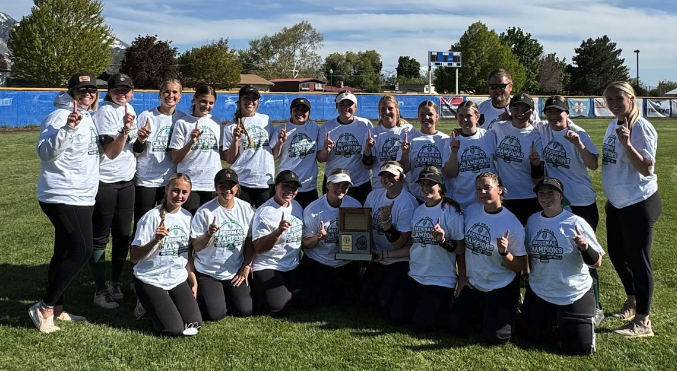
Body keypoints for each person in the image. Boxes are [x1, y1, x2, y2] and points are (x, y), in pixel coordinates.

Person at [30, 72, 100, 333]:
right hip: (62, 194)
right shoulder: (59, 117)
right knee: (82, 250)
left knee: (63, 251)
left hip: (83, 194)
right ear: (71, 92)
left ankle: (57, 309)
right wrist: (68, 128)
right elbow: (45, 153)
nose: (88, 94)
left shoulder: (89, 117)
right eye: (81, 90)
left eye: (91, 89)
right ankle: (45, 307)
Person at [536, 95, 604, 326]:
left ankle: (594, 305)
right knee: (559, 251)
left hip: (581, 200)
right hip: (556, 200)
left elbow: (593, 164)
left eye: (559, 112)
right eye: (550, 112)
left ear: (568, 113)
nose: (554, 117)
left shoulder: (578, 132)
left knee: (586, 254)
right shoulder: (544, 129)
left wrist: (578, 144)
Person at [602, 81, 661, 338]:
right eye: (609, 100)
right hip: (618, 203)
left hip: (638, 202)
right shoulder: (615, 122)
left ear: (631, 98)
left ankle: (643, 322)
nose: (614, 104)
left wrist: (627, 144)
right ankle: (632, 301)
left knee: (639, 260)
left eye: (618, 99)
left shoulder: (640, 127)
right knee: (616, 253)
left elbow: (647, 168)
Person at [521, 177, 604, 355]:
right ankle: (553, 320)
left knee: (580, 348)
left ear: (560, 196)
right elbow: (527, 251)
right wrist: (527, 274)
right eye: (541, 194)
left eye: (551, 193)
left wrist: (584, 247)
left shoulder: (575, 222)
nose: (545, 197)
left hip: (573, 291)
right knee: (530, 337)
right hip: (540, 289)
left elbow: (597, 263)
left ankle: (579, 318)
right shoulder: (533, 221)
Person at [449, 172, 526, 345]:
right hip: (474, 282)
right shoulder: (471, 211)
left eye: (487, 188)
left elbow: (518, 267)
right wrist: (462, 277)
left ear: (499, 190)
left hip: (500, 284)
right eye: (478, 189)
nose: (482, 192)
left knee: (497, 338)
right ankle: (483, 308)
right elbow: (461, 248)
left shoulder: (513, 224)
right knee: (456, 328)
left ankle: (511, 307)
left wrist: (505, 253)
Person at [390, 167, 465, 332]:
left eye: (430, 184)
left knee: (422, 325)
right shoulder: (418, 210)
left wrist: (443, 240)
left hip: (440, 279)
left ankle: (447, 305)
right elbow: (416, 245)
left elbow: (460, 249)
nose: (425, 188)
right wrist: (384, 254)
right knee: (396, 317)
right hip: (416, 275)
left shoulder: (451, 211)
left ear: (440, 185)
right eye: (422, 184)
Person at [131, 173, 202, 337]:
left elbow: (187, 252)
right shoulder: (150, 218)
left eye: (184, 192)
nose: (180, 196)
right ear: (166, 189)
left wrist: (192, 278)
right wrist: (155, 240)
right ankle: (145, 304)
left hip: (176, 277)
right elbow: (134, 257)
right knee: (173, 330)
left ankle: (165, 302)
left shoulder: (187, 217)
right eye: (175, 191)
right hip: (150, 278)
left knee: (194, 324)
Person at [89, 73, 137, 309]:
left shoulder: (130, 109)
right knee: (100, 237)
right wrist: (125, 131)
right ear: (109, 91)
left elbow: (134, 148)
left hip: (127, 180)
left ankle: (115, 282)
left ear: (132, 92)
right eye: (117, 89)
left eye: (126, 89)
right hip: (106, 181)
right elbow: (111, 152)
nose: (122, 93)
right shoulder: (105, 112)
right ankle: (99, 290)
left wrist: (142, 138)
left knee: (123, 235)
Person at [191, 169, 255, 320]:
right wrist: (209, 234)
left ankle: (223, 295)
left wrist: (246, 265)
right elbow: (196, 246)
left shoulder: (246, 209)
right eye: (222, 185)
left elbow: (251, 240)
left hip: (234, 270)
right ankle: (206, 293)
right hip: (208, 271)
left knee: (245, 310)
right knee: (215, 314)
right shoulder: (204, 211)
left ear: (237, 187)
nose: (227, 190)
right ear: (215, 188)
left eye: (231, 185)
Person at [362, 161, 418, 313]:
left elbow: (399, 243)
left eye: (391, 175)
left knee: (383, 304)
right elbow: (365, 225)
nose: (387, 179)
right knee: (364, 299)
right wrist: (371, 250)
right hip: (378, 256)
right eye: (383, 176)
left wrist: (385, 222)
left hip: (398, 259)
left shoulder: (408, 203)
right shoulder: (374, 195)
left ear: (401, 177)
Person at [133, 79, 186, 237]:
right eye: (167, 92)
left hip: (170, 180)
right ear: (160, 94)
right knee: (142, 224)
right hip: (146, 179)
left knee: (167, 223)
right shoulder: (147, 116)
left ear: (180, 95)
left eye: (175, 92)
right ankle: (137, 259)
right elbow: (135, 149)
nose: (170, 95)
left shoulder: (182, 119)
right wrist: (141, 139)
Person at [301, 169, 362, 305]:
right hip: (320, 260)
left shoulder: (355, 206)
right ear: (328, 184)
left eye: (345, 185)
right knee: (308, 300)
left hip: (345, 261)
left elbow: (359, 241)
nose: (341, 188)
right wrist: (317, 238)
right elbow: (304, 244)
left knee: (351, 301)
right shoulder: (313, 210)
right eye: (337, 184)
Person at [251, 170, 307, 316]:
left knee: (307, 301)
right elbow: (259, 247)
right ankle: (257, 289)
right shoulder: (265, 212)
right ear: (276, 186)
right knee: (279, 307)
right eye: (285, 186)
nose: (290, 190)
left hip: (291, 265)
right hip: (268, 265)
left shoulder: (296, 206)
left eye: (294, 188)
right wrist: (277, 232)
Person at [168, 84, 222, 215]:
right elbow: (175, 158)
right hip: (191, 184)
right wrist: (191, 142)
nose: (206, 106)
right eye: (203, 101)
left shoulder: (216, 122)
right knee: (189, 224)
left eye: (211, 103)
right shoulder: (183, 123)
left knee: (209, 226)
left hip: (212, 183)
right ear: (195, 99)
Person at [490, 93, 543, 226]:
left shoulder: (536, 135)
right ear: (510, 110)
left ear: (532, 111)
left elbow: (539, 178)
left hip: (529, 196)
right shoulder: (499, 127)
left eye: (525, 109)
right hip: (504, 196)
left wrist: (536, 165)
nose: (521, 113)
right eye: (516, 109)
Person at [222, 85, 275, 207]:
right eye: (246, 98)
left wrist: (281, 142)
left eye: (254, 99)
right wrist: (235, 139)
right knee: (242, 220)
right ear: (240, 101)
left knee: (265, 219)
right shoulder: (231, 126)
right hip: (242, 181)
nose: (250, 102)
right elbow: (230, 159)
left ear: (258, 102)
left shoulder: (266, 120)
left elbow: (272, 152)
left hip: (265, 180)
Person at [317, 91, 373, 205]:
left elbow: (369, 156)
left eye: (349, 104)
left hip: (359, 182)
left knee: (360, 218)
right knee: (333, 216)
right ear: (336, 106)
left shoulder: (365, 125)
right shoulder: (327, 127)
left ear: (355, 107)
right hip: (335, 182)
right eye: (342, 104)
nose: (345, 108)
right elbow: (320, 158)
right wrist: (326, 151)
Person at [443, 100, 497, 210]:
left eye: (469, 116)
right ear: (456, 117)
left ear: (477, 117)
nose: (465, 120)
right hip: (462, 200)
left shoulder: (488, 136)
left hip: (487, 199)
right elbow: (449, 173)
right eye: (461, 116)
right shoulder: (452, 140)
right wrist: (454, 153)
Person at [271, 97, 320, 208]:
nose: (300, 113)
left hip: (308, 184)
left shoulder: (315, 128)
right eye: (296, 110)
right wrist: (280, 142)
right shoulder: (282, 129)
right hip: (286, 183)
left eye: (304, 110)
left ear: (309, 112)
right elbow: (273, 156)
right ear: (291, 111)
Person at [398, 100, 449, 203]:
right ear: (418, 117)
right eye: (422, 115)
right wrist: (405, 154)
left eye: (430, 114)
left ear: (437, 116)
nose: (426, 118)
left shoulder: (445, 140)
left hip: (439, 195)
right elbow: (404, 170)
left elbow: (448, 171)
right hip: (416, 195)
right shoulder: (410, 140)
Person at [363, 95, 414, 193]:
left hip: (403, 185)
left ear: (397, 110)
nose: (386, 112)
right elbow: (367, 166)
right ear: (379, 111)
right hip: (380, 186)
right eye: (383, 109)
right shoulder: (373, 132)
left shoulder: (408, 130)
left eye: (390, 108)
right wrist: (368, 150)